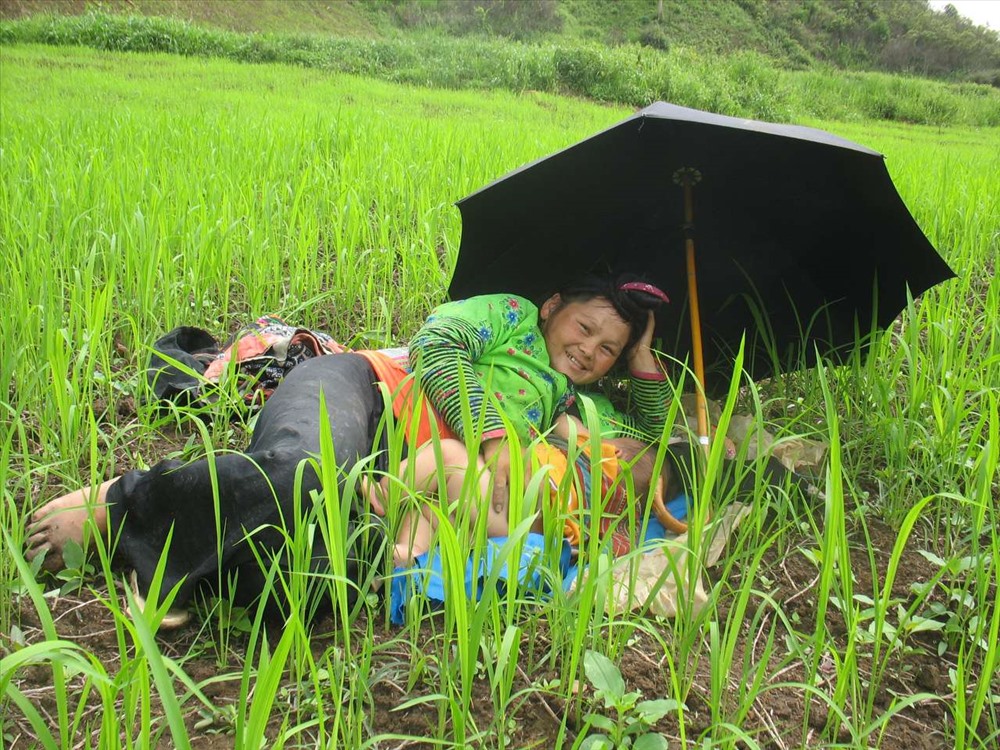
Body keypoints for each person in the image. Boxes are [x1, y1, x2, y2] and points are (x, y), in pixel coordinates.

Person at [26, 274, 671, 623]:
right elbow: (437, 346)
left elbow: (653, 447)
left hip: (386, 487)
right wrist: (495, 437)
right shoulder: (509, 313)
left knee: (322, 574)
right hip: (363, 393)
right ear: (553, 306)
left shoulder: (573, 407)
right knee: (300, 476)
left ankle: (185, 564)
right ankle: (128, 503)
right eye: (585, 327)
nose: (590, 349)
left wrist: (643, 360)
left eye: (607, 349)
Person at [364, 414, 687, 568]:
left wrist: (590, 434)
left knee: (448, 454)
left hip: (519, 506)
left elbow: (564, 420)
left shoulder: (599, 456)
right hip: (521, 531)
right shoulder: (611, 516)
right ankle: (408, 555)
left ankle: (379, 496)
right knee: (431, 509)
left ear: (619, 453)